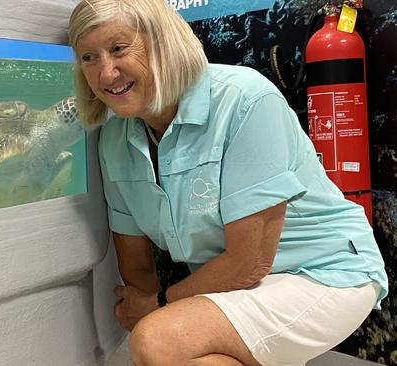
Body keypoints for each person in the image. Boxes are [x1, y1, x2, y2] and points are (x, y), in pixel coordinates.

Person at [67, 0, 388, 365]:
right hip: (236, 290)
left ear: (161, 42)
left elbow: (248, 261)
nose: (107, 73)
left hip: (324, 273)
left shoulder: (244, 99)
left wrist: (157, 309)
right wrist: (152, 308)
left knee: (156, 340)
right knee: (183, 353)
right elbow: (136, 267)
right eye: (89, 58)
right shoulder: (115, 139)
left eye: (119, 48)